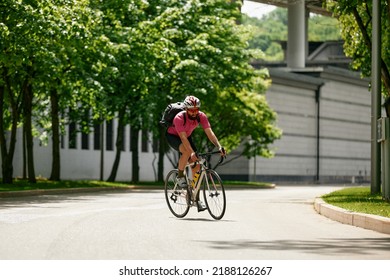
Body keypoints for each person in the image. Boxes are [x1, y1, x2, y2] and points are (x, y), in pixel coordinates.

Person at [165, 95, 226, 212]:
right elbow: (183, 138)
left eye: (196, 110)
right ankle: (180, 176)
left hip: (187, 137)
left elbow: (209, 132)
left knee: (197, 167)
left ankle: (195, 198)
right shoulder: (179, 118)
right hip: (174, 136)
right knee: (187, 152)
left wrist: (219, 147)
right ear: (186, 109)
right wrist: (192, 153)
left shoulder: (201, 116)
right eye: (191, 110)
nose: (194, 113)